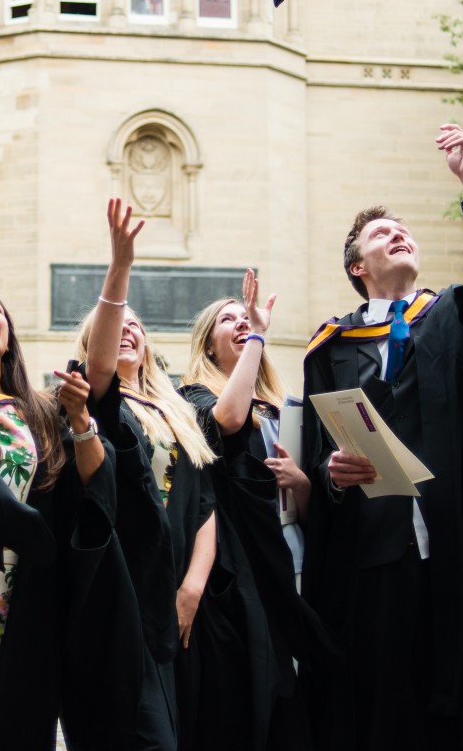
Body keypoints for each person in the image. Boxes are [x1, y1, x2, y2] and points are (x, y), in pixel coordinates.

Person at [301, 123, 463, 751]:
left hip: (446, 547)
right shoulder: (328, 350)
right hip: (366, 559)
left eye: (404, 230)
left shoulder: (458, 315)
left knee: (445, 694)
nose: (399, 234)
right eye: (380, 234)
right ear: (358, 268)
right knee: (372, 702)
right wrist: (333, 474)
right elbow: (316, 465)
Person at [0, 266, 126, 750]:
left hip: (22, 594)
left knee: (10, 720)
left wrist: (79, 419)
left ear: (10, 336)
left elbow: (94, 477)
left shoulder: (39, 410)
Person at [79, 200, 219, 749]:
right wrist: (120, 269)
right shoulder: (97, 404)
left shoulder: (179, 409)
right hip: (128, 584)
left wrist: (193, 585)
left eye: (137, 325)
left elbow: (205, 501)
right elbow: (101, 378)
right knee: (142, 730)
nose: (129, 330)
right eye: (117, 325)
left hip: (180, 587)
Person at [179, 277, 324, 750]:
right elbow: (228, 421)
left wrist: (301, 483)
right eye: (228, 319)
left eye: (245, 318)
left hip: (294, 546)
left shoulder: (286, 408)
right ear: (207, 342)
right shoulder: (194, 399)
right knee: (257, 677)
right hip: (242, 560)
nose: (241, 321)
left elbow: (306, 500)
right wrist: (258, 336)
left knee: (301, 676)